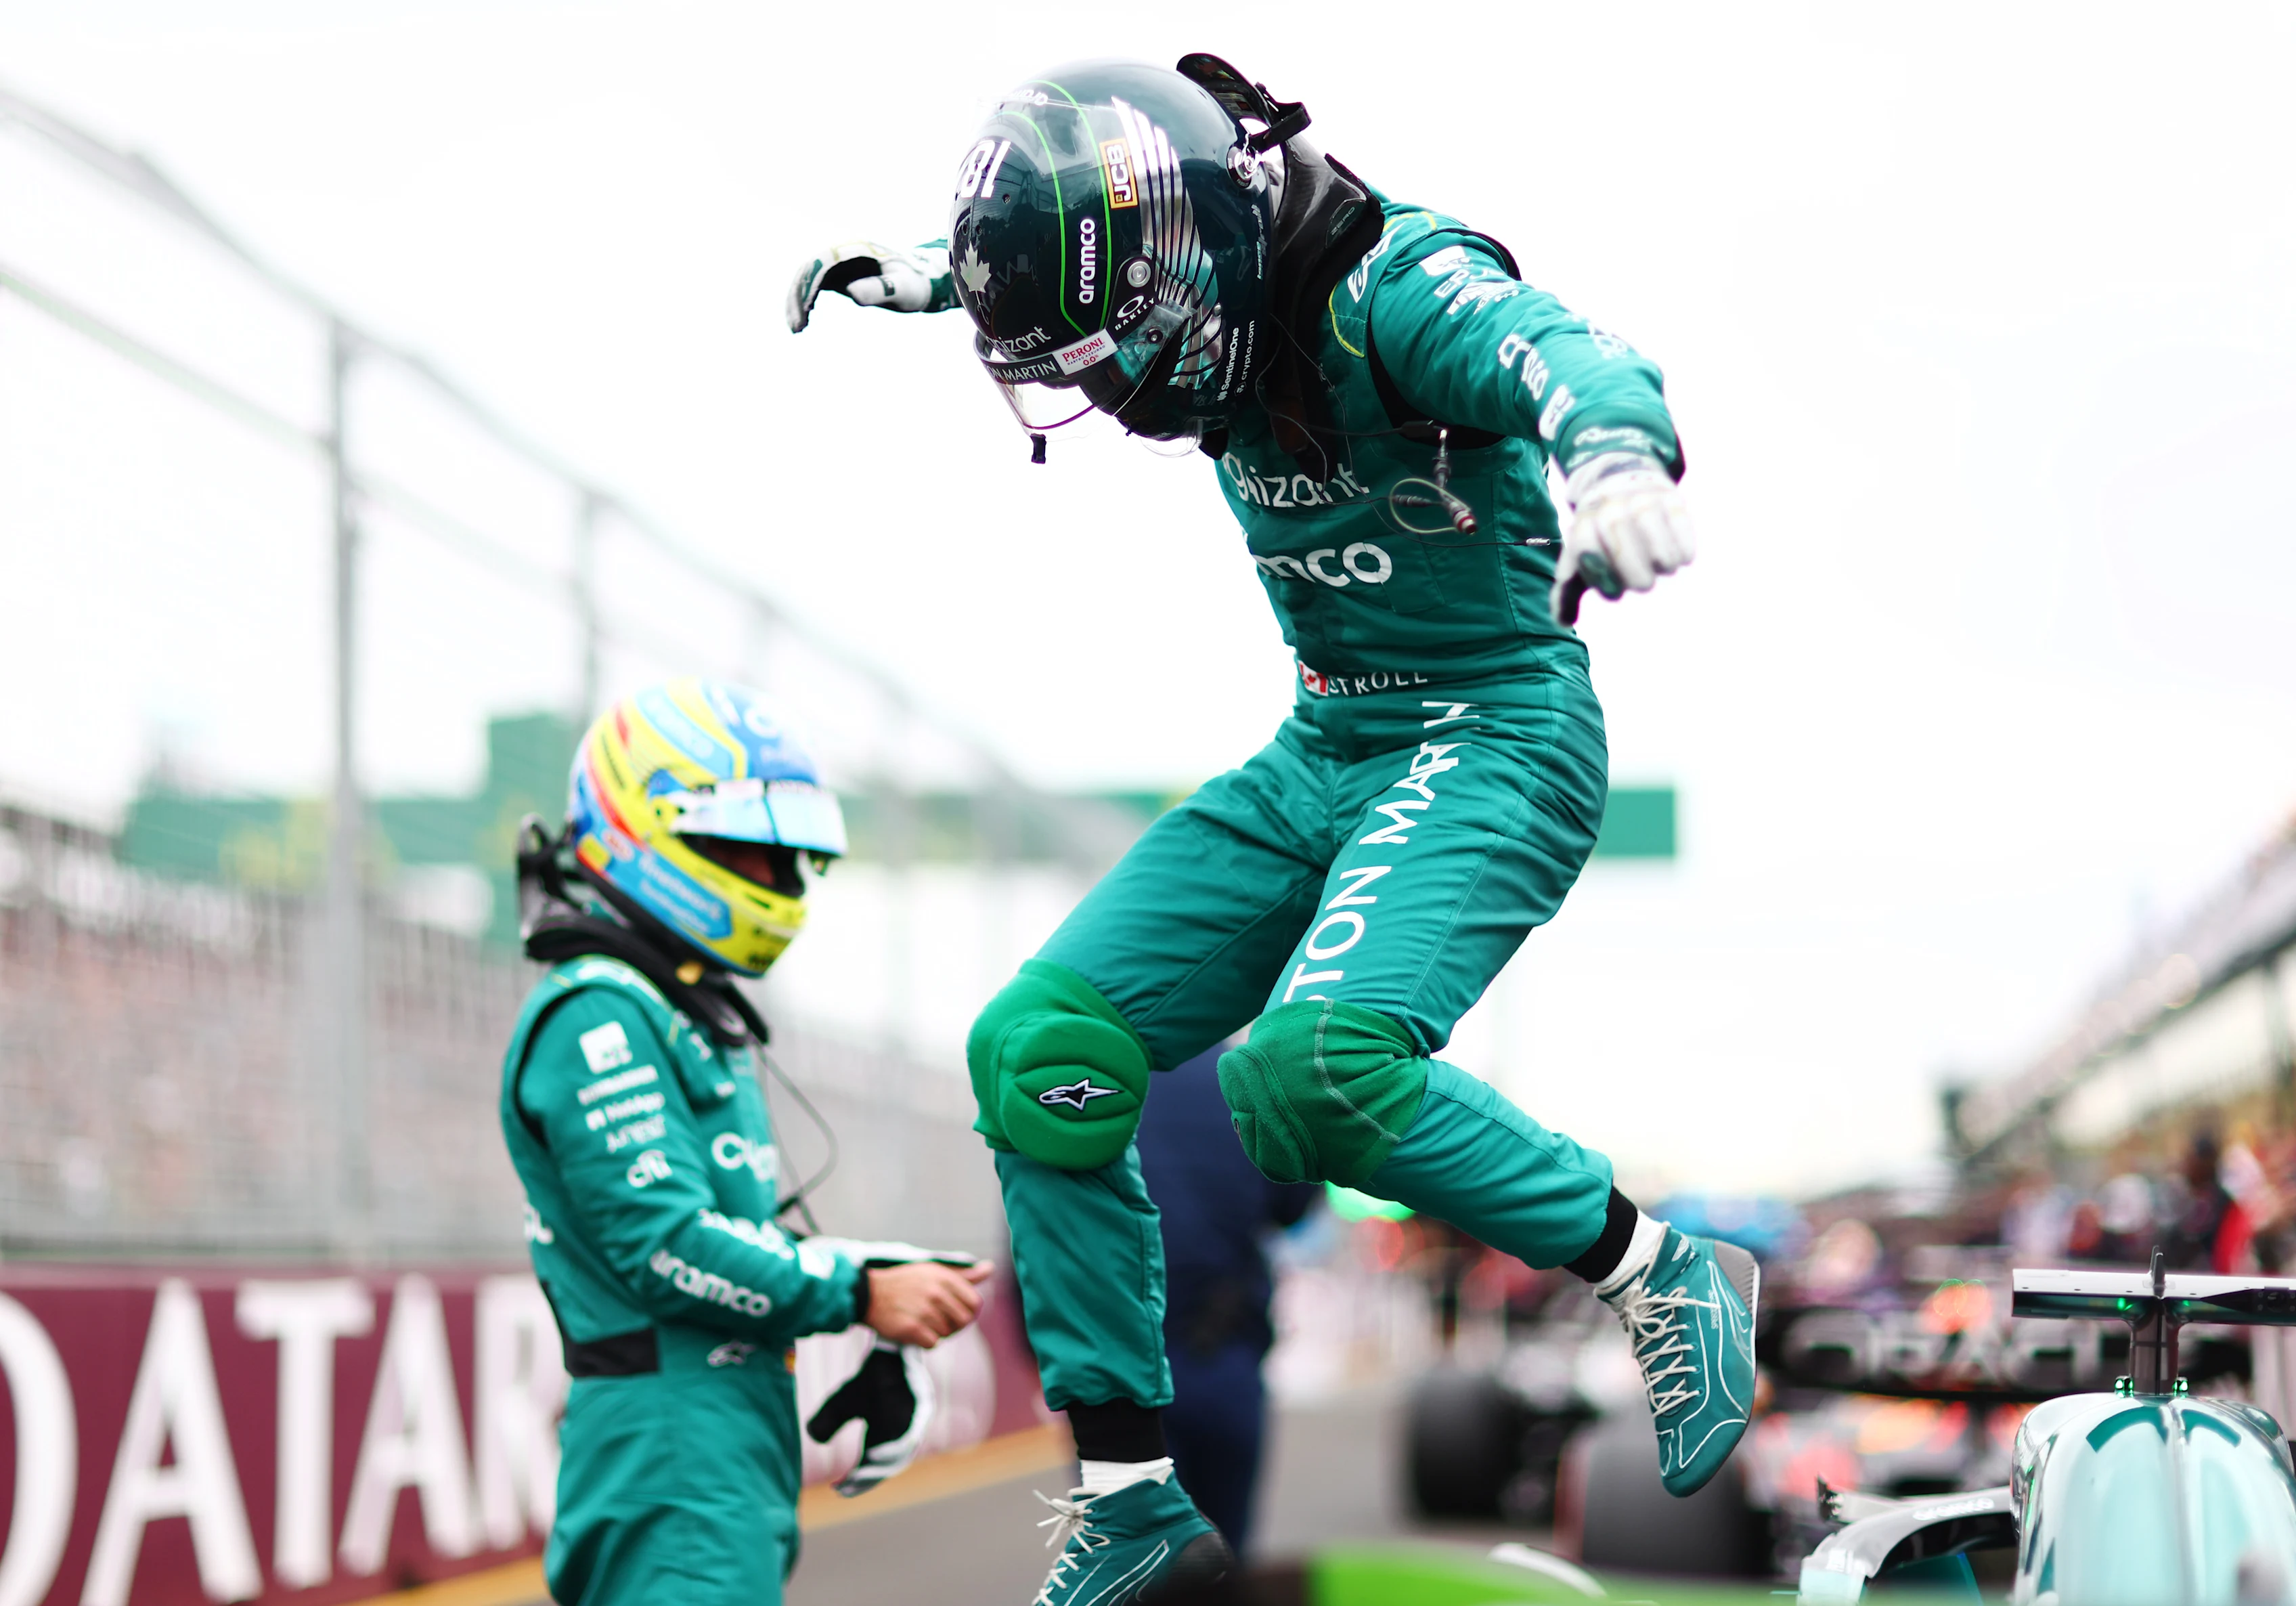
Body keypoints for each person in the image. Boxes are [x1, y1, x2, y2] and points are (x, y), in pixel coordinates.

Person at [789, 55, 1755, 1602]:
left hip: (1489, 731)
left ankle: (1660, 1269)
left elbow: (1565, 353)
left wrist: (1616, 455)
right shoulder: (1179, 238)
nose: (1126, 396)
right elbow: (1091, 217)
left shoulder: (1396, 289)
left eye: (1129, 350)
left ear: (1203, 255)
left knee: (1312, 1069)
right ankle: (1127, 1497)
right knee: (1036, 1045)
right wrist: (932, 273)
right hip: (1325, 745)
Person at [500, 676, 993, 1605]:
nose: (779, 880)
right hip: (671, 1451)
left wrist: (877, 1280)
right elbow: (666, 1245)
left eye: (791, 855)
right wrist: (859, 1291)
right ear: (644, 828)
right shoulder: (600, 1011)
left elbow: (718, 1231)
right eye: (748, 847)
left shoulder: (674, 1006)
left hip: (717, 1443)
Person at [1133, 1045, 1320, 1555]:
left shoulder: (1096, 1080)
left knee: (1128, 1560)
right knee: (1221, 1560)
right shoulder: (1254, 1082)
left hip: (1118, 1366)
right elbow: (1295, 1201)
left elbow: (1037, 1225)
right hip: (1222, 1348)